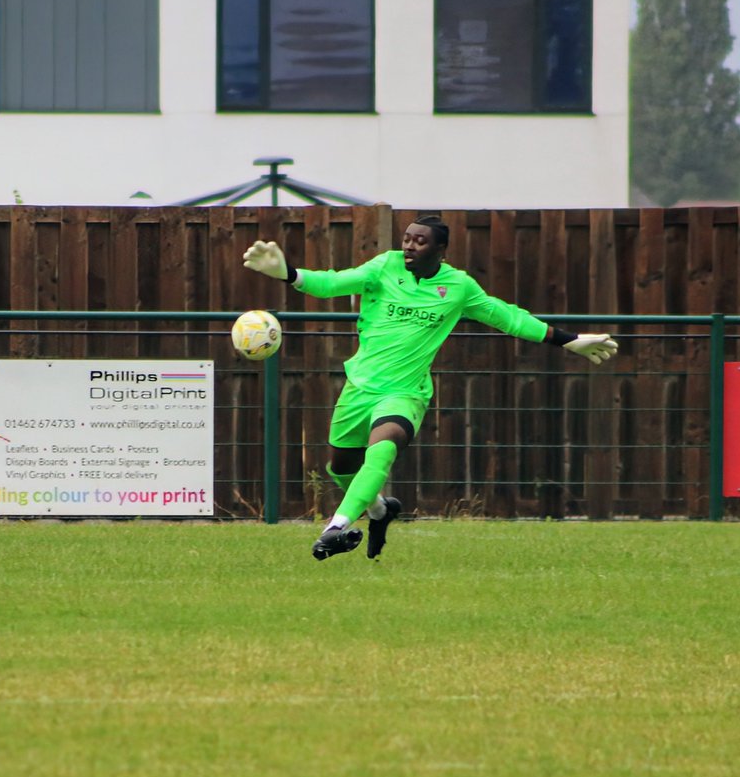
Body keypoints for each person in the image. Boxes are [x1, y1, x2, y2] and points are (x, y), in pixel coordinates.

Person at [242, 215, 618, 561]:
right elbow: (331, 283)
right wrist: (287, 273)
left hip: (405, 394)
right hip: (359, 388)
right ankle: (379, 510)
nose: (409, 245)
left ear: (440, 249)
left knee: (380, 452)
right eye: (407, 239)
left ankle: (334, 529)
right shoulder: (384, 267)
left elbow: (507, 317)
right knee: (341, 469)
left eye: (419, 241)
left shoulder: (458, 287)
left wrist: (570, 340)